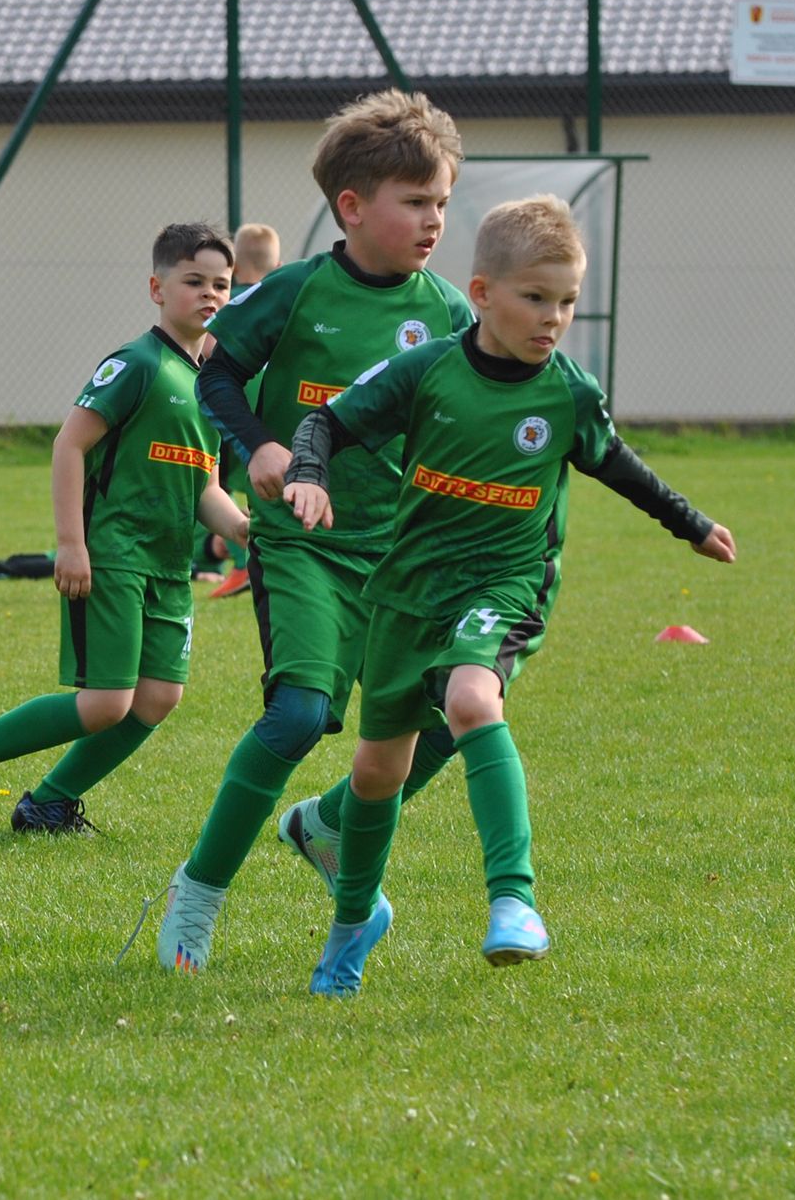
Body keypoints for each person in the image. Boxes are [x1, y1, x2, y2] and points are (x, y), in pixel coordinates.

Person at [280, 196, 736, 994]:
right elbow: (324, 423)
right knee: (377, 774)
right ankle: (351, 930)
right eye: (535, 298)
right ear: (482, 292)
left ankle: (514, 902)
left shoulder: (567, 392)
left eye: (567, 301)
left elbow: (619, 463)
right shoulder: (427, 369)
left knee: (472, 700)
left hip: (506, 583)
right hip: (408, 590)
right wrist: (309, 475)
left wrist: (690, 524)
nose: (553, 317)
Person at [155, 90, 475, 974]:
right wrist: (256, 443)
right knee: (297, 715)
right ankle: (199, 892)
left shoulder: (449, 312)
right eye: (415, 201)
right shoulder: (291, 294)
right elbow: (213, 378)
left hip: (401, 552)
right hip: (302, 544)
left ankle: (331, 822)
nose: (433, 220)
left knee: (459, 712)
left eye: (442, 202)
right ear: (351, 206)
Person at [0, 224, 249, 836]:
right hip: (115, 554)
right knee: (106, 702)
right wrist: (72, 544)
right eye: (194, 282)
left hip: (169, 562)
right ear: (157, 287)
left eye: (222, 285)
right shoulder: (137, 363)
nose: (210, 295)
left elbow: (203, 485)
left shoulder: (209, 385)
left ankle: (48, 802)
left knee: (157, 699)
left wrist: (241, 528)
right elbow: (69, 444)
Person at [190, 223, 281, 590]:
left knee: (216, 480)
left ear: (235, 271)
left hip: (227, 398)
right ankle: (256, 554)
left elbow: (209, 348)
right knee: (263, 485)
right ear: (278, 267)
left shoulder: (225, 303)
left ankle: (243, 562)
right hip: (269, 399)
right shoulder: (278, 300)